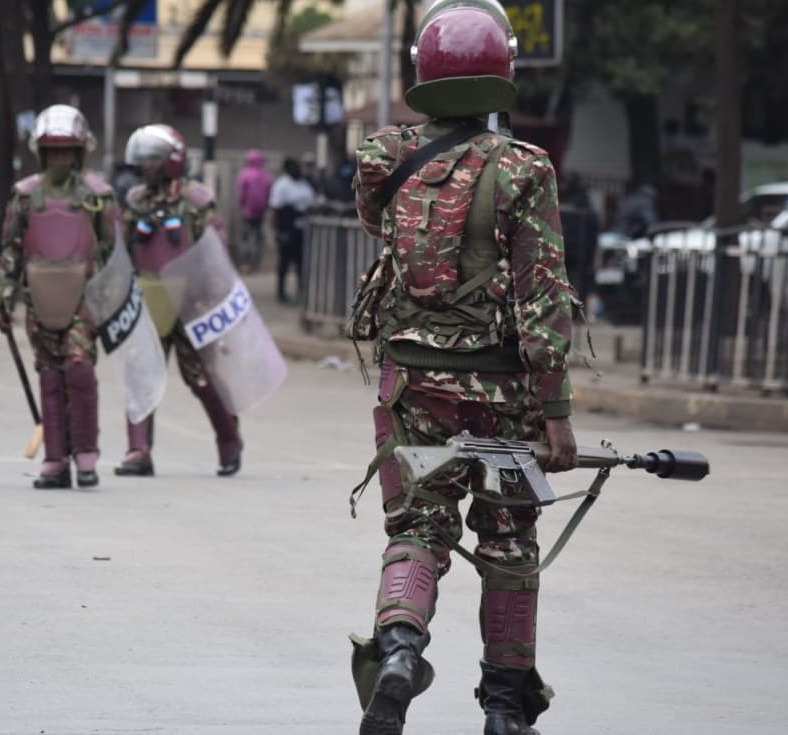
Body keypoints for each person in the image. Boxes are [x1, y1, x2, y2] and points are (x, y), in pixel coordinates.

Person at [348, 2, 578, 734]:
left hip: (413, 386)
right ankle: (507, 707)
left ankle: (398, 647)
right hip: (502, 395)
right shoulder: (524, 169)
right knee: (509, 537)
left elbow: (379, 230)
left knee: (418, 524)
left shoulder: (385, 160)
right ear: (503, 70)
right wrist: (556, 410)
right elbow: (543, 298)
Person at [0, 105, 118, 490]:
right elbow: (11, 250)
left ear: (80, 153)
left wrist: (113, 303)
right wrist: (4, 296)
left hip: (83, 299)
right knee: (49, 374)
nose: (60, 158)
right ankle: (55, 459)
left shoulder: (98, 197)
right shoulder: (25, 196)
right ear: (42, 153)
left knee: (79, 370)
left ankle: (85, 454)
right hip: (40, 298)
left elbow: (114, 254)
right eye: (53, 151)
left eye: (67, 151)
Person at [113, 123, 243, 478]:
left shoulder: (197, 199)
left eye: (154, 160)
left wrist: (212, 299)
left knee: (201, 379)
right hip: (150, 298)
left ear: (173, 160)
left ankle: (229, 441)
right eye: (144, 161)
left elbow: (216, 253)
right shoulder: (136, 199)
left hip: (192, 302)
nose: (147, 167)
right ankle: (138, 450)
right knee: (141, 374)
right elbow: (122, 249)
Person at [269, 157, 315, 304]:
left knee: (301, 262)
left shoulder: (304, 184)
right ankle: (281, 292)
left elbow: (311, 200)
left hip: (302, 226)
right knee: (284, 261)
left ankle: (302, 292)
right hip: (287, 226)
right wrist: (277, 230)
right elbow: (275, 209)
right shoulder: (282, 185)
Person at [558, 171, 600, 302]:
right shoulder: (583, 203)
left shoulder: (576, 204)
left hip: (576, 249)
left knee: (576, 281)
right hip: (579, 250)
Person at [235, 148, 273, 273]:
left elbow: (241, 194)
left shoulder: (244, 174)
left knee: (245, 237)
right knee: (257, 238)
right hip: (260, 212)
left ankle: (245, 263)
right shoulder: (266, 176)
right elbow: (269, 195)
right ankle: (256, 263)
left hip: (247, 211)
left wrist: (242, 205)